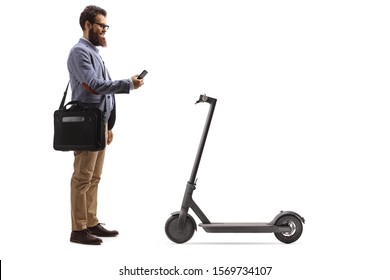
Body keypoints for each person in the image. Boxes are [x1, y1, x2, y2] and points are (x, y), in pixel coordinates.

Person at [67, 5, 145, 245]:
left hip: (98, 123)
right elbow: (93, 85)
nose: (104, 30)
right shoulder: (79, 52)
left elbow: (101, 93)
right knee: (82, 177)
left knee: (94, 177)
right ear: (88, 25)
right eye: (101, 25)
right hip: (86, 124)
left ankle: (90, 221)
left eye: (105, 26)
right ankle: (78, 230)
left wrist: (108, 124)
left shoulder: (94, 53)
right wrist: (127, 84)